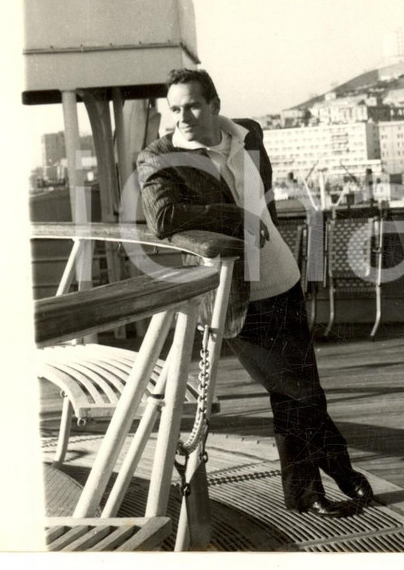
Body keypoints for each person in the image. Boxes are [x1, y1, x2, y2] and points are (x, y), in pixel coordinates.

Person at [137, 68, 372, 517]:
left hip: (281, 277)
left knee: (299, 391)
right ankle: (339, 471)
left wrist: (262, 225)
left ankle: (305, 494)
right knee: (297, 390)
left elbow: (263, 198)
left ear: (214, 105)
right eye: (175, 108)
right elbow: (164, 217)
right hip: (234, 292)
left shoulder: (249, 135)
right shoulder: (158, 156)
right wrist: (235, 220)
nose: (182, 116)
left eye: (192, 105)